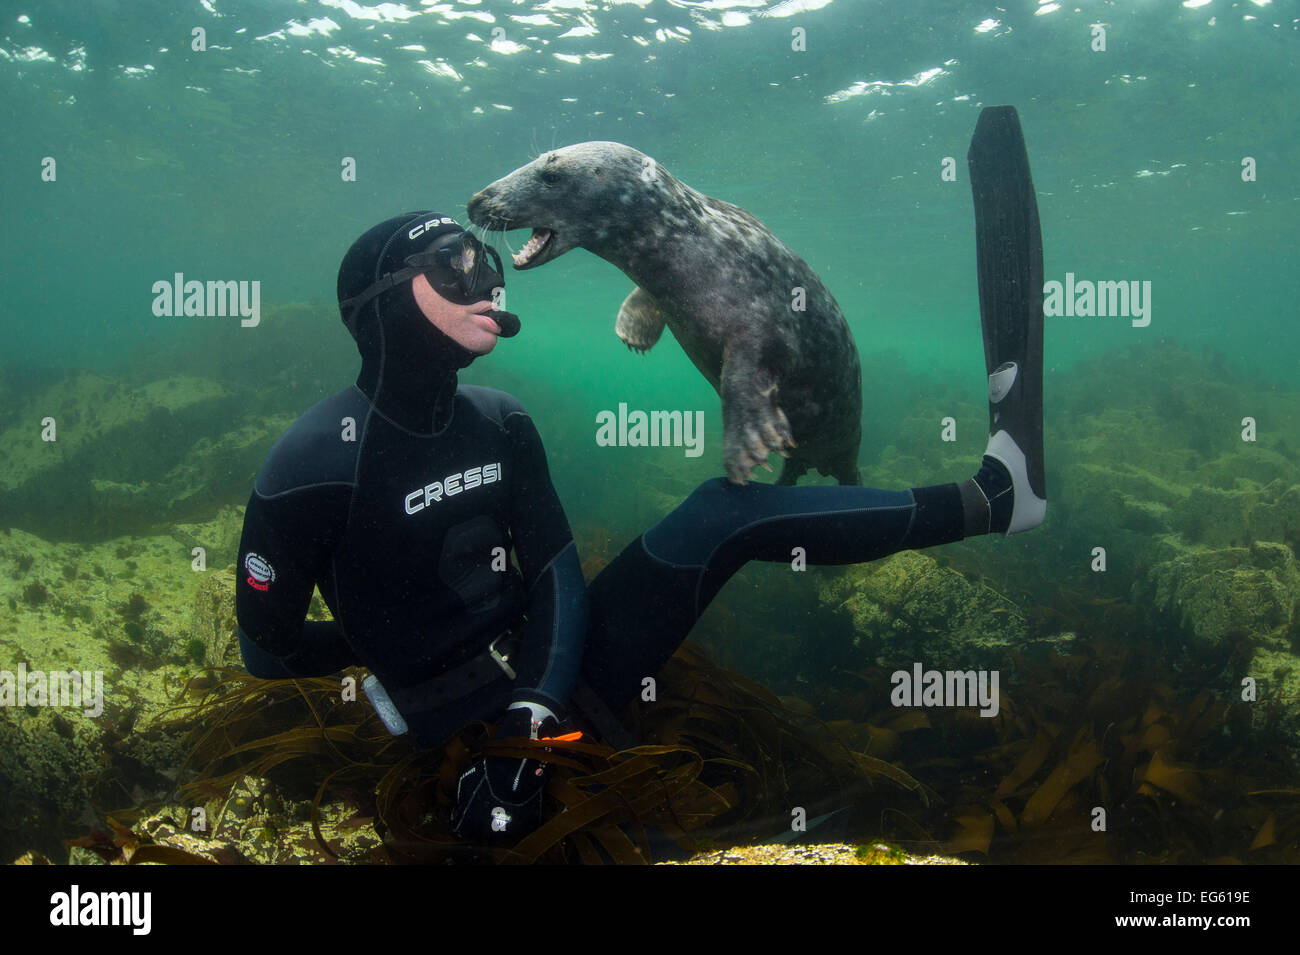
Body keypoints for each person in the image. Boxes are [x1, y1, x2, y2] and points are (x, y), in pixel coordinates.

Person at [236, 117, 1044, 845]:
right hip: (450, 715)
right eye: (452, 266)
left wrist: (532, 710)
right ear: (384, 299)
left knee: (721, 512)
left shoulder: (499, 420)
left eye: (483, 261)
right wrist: (393, 655)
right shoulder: (309, 465)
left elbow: (555, 579)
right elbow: (267, 651)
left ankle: (995, 495)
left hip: (554, 673)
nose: (485, 279)